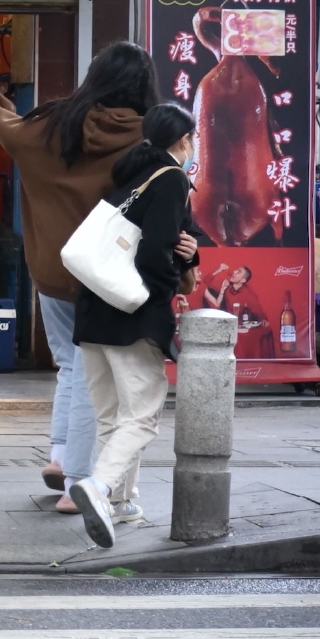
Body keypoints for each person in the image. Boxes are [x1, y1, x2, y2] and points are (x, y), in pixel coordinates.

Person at [0, 42, 152, 514]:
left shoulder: (52, 126)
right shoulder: (145, 138)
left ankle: (60, 456)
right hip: (104, 272)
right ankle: (79, 478)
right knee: (88, 372)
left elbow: (6, 127)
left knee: (70, 366)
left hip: (52, 270)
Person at [67, 103, 206, 549]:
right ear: (184, 139)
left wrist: (186, 252)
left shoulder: (130, 174)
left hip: (93, 311)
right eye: (193, 137)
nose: (194, 144)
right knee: (142, 416)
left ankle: (123, 503)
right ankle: (101, 487)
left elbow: (154, 240)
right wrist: (163, 291)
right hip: (133, 313)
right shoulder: (171, 178)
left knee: (113, 417)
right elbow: (153, 254)